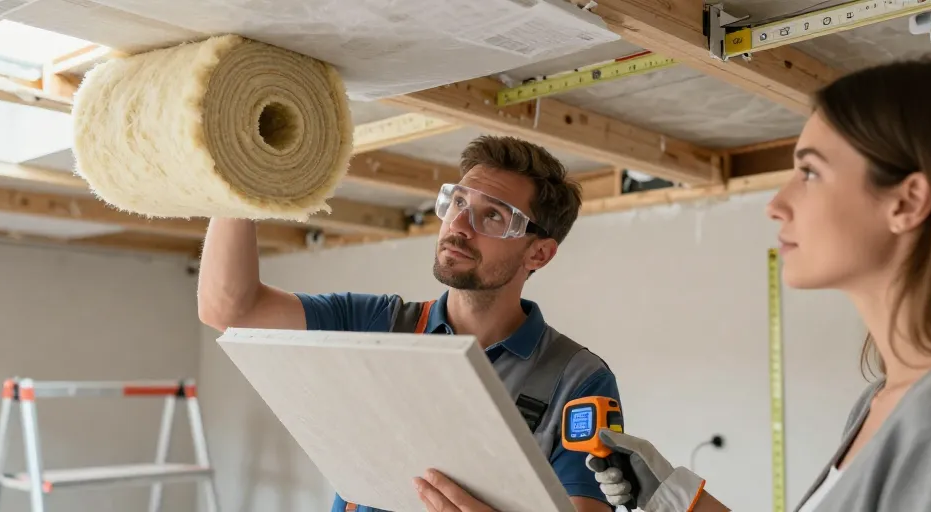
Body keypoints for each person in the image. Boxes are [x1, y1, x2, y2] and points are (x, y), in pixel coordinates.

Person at [412, 57, 931, 512]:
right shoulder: (882, 399)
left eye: (810, 172)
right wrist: (675, 498)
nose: (777, 204)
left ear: (907, 202)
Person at [197, 135, 621, 512]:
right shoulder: (377, 325)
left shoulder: (577, 379)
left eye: (492, 216)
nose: (457, 226)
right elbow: (229, 309)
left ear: (539, 254)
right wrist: (242, 164)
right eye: (457, 203)